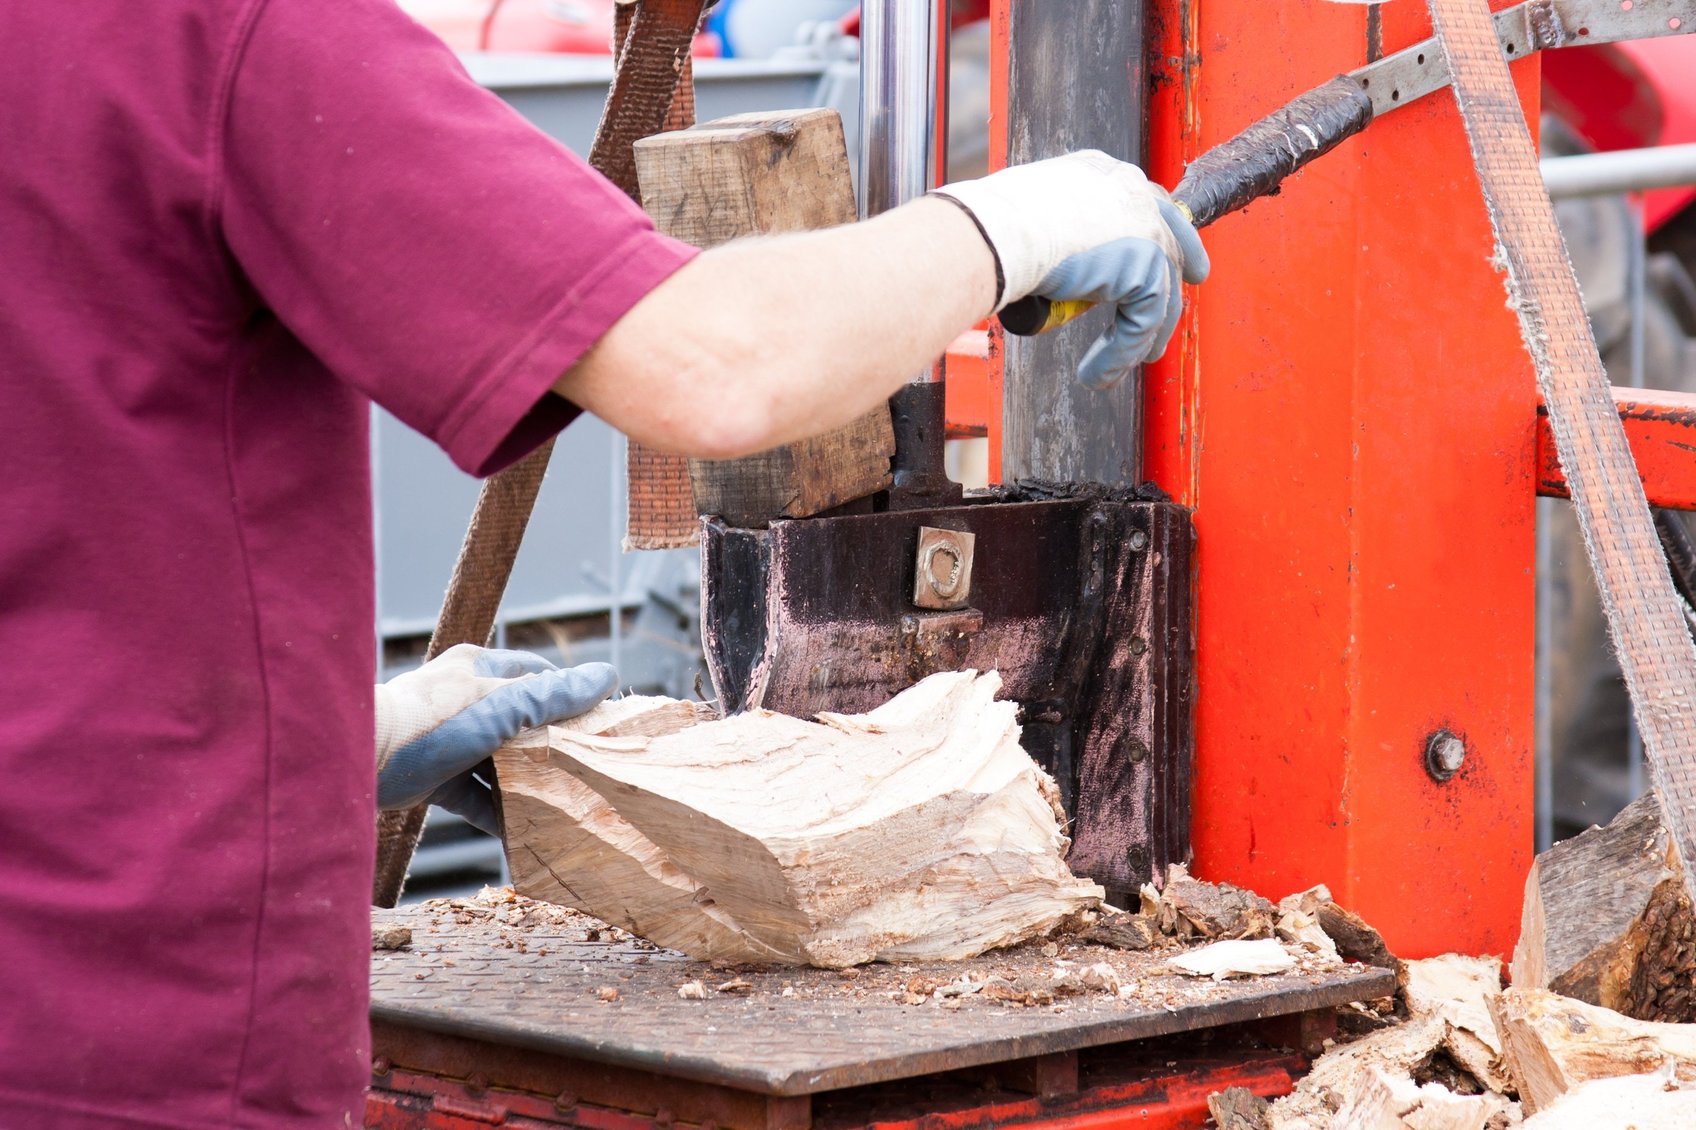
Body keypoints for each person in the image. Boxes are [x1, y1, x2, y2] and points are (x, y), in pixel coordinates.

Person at [0, 1, 1208, 1126]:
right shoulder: (215, 31)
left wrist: (328, 740)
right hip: (138, 1052)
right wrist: (1022, 222)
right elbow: (718, 362)